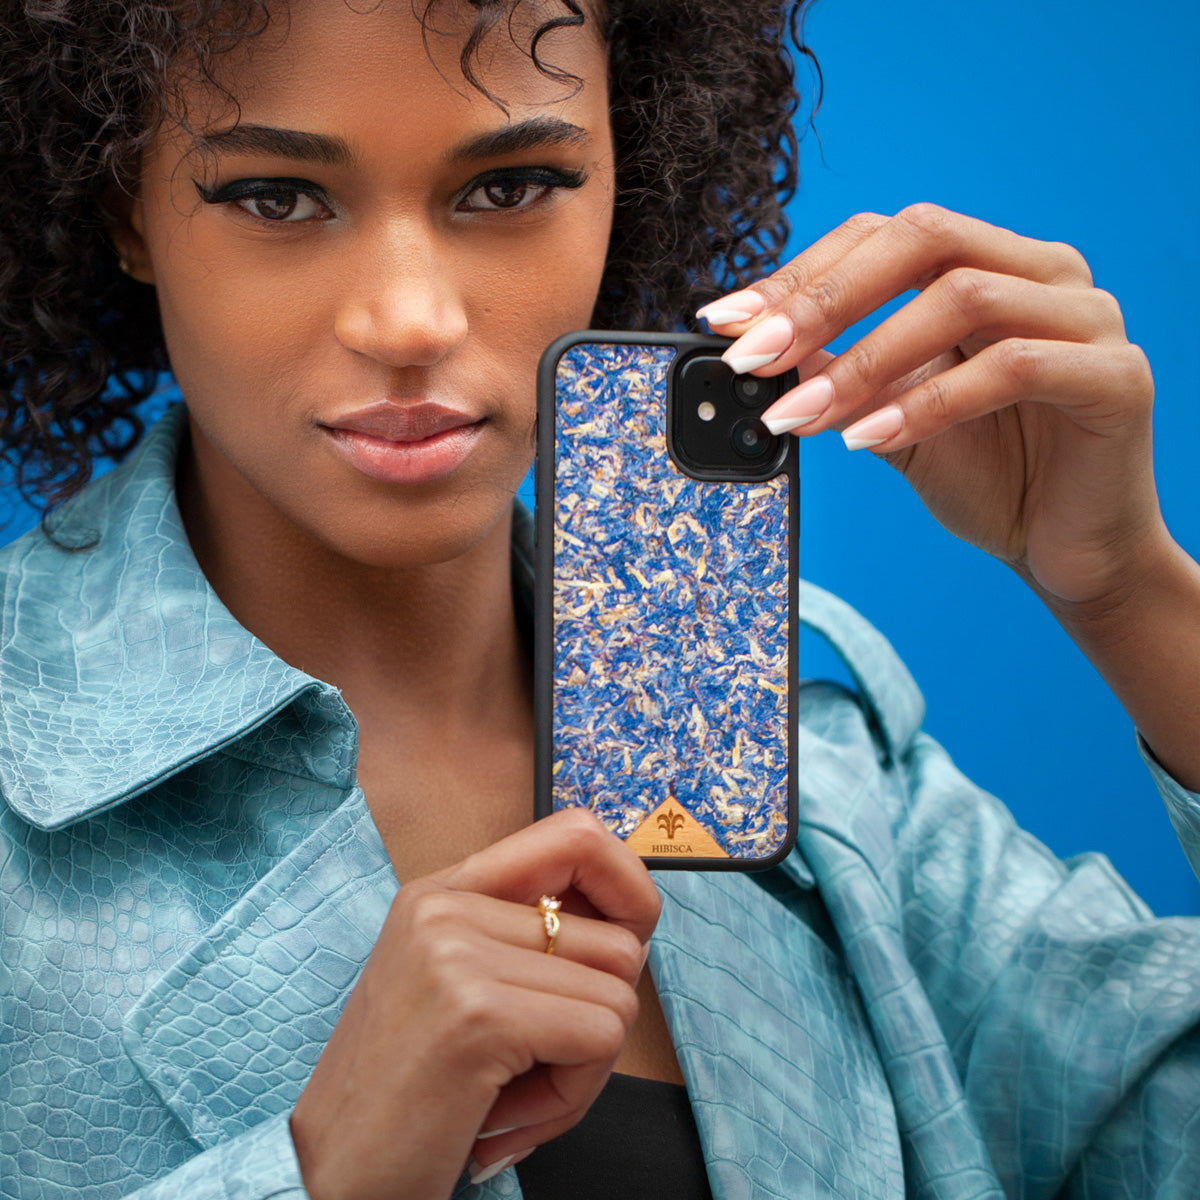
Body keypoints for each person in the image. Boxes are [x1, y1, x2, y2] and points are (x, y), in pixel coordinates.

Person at [2, 2, 1200, 1198]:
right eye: (276, 196)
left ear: (633, 169)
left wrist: (1133, 594)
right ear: (124, 206)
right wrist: (321, 1177)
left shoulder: (793, 750)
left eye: (512, 185)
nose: (410, 320)